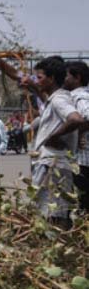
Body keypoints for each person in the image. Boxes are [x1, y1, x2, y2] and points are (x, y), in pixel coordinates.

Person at [25, 58, 85, 227]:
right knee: (48, 213)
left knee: (53, 215)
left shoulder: (59, 100)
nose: (37, 81)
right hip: (52, 163)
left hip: (53, 165)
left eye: (40, 77)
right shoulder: (55, 98)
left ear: (51, 79)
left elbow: (76, 119)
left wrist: (54, 136)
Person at [64, 61, 89, 211]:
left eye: (66, 76)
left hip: (82, 160)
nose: (64, 79)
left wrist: (77, 133)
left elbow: (87, 115)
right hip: (81, 160)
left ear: (77, 77)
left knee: (83, 203)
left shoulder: (79, 96)